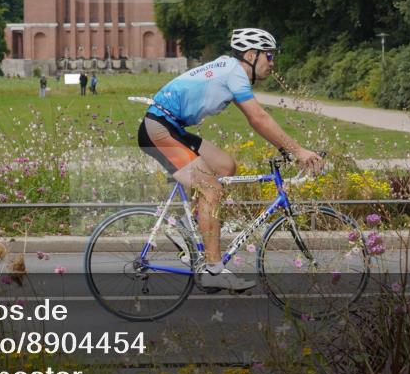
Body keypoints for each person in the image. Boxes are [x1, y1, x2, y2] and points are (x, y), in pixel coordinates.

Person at [138, 28, 324, 292]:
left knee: (225, 166)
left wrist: (285, 147)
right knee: (211, 188)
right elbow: (258, 118)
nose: (272, 63)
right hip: (158, 130)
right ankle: (213, 270)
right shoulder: (234, 72)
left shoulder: (230, 71)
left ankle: (186, 230)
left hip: (170, 128)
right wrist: (297, 150)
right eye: (268, 56)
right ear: (251, 54)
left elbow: (258, 120)